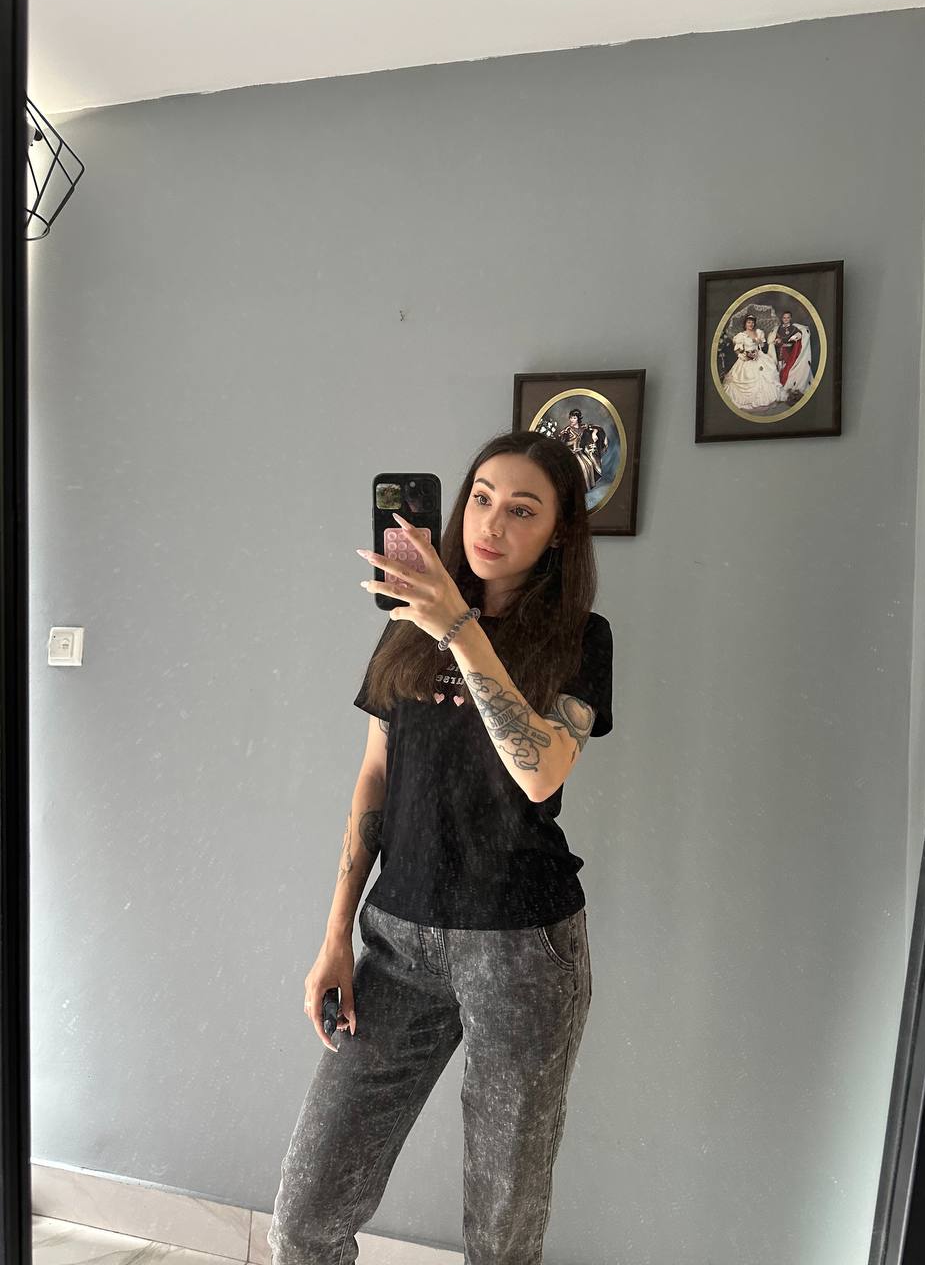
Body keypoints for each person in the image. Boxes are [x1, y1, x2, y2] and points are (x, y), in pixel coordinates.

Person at [266, 429, 614, 1265]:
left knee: (500, 1233)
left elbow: (540, 771)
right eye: (483, 498)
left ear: (558, 533)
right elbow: (374, 781)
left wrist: (460, 628)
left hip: (522, 947)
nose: (492, 522)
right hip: (398, 939)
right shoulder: (405, 619)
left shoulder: (580, 636)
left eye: (523, 509)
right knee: (306, 1216)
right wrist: (334, 935)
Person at [721, 313, 787, 411]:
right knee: (747, 376)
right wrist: (745, 355)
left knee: (768, 374)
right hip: (747, 358)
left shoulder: (759, 332)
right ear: (745, 324)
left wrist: (758, 342)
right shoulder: (741, 335)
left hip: (759, 356)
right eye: (748, 322)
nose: (751, 324)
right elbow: (738, 350)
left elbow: (762, 346)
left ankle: (767, 398)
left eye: (752, 322)